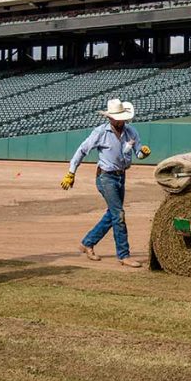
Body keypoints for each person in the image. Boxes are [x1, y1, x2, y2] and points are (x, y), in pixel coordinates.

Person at [61, 98, 151, 267]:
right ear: (110, 118)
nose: (121, 120)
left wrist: (143, 153)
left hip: (121, 176)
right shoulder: (100, 133)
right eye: (117, 117)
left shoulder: (131, 132)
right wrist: (71, 173)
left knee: (113, 214)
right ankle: (124, 255)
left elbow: (138, 152)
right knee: (119, 215)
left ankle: (88, 242)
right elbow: (82, 150)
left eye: (123, 117)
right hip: (105, 177)